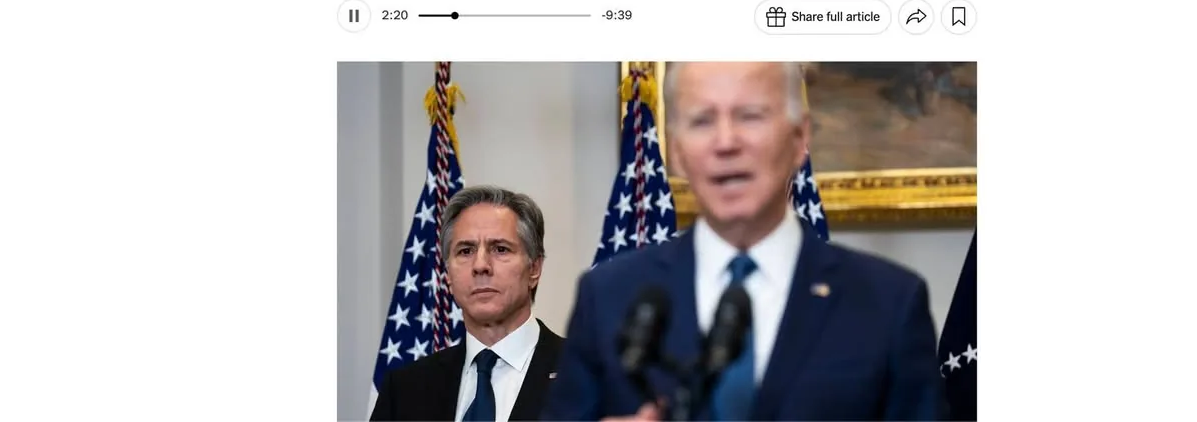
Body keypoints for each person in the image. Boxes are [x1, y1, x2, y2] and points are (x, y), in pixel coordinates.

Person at [543, 62, 943, 421]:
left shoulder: (888, 303)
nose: (726, 142)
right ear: (677, 151)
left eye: (750, 116)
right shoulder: (610, 295)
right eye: (701, 121)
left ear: (799, 138)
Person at [372, 185, 565, 422]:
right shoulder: (405, 389)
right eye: (465, 251)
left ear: (534, 268)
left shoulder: (588, 376)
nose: (480, 265)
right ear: (448, 276)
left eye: (500, 249)